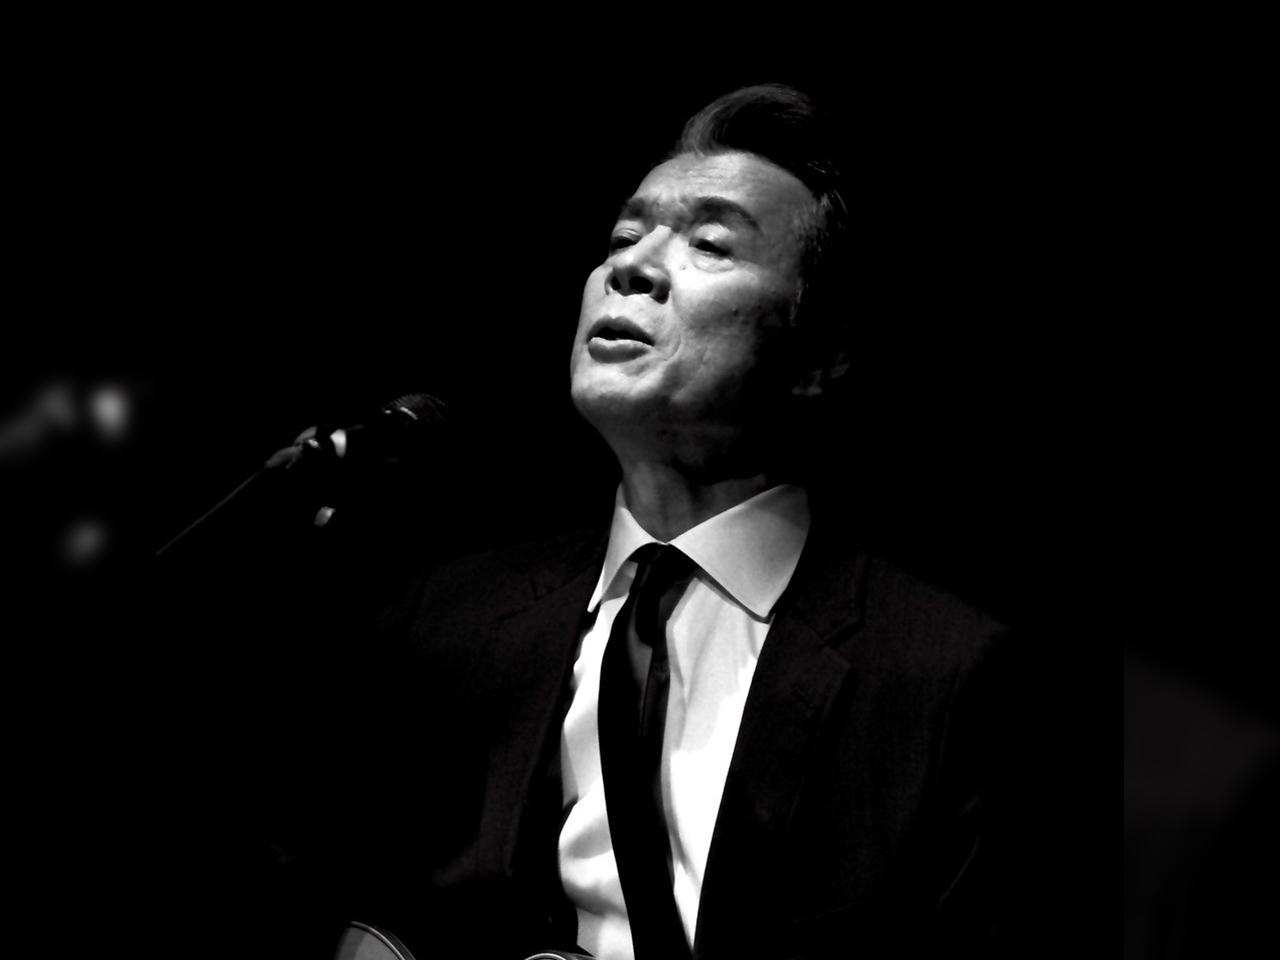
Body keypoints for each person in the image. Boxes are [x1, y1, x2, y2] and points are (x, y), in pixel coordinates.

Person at [355, 83, 1027, 960]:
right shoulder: (447, 617)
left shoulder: (948, 675)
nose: (632, 268)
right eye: (622, 239)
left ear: (820, 355)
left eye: (709, 244)